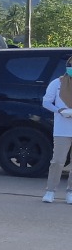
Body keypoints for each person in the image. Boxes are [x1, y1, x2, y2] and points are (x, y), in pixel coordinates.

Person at [43, 54, 72, 204]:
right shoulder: (57, 83)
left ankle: (70, 192)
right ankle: (50, 191)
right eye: (70, 66)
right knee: (58, 161)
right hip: (62, 129)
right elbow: (46, 102)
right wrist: (59, 110)